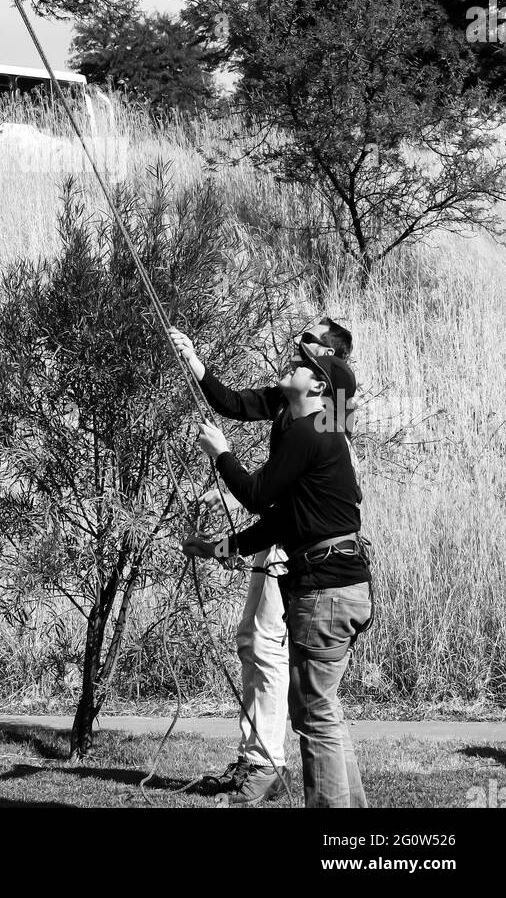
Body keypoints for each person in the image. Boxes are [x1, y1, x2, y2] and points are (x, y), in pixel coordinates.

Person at [169, 317, 356, 805]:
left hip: (321, 571)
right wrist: (196, 365)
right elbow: (233, 405)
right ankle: (267, 765)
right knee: (313, 703)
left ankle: (265, 765)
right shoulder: (299, 408)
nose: (296, 345)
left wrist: (224, 458)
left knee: (300, 694)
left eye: (308, 345)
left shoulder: (321, 422)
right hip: (309, 557)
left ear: (325, 371)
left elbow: (267, 496)